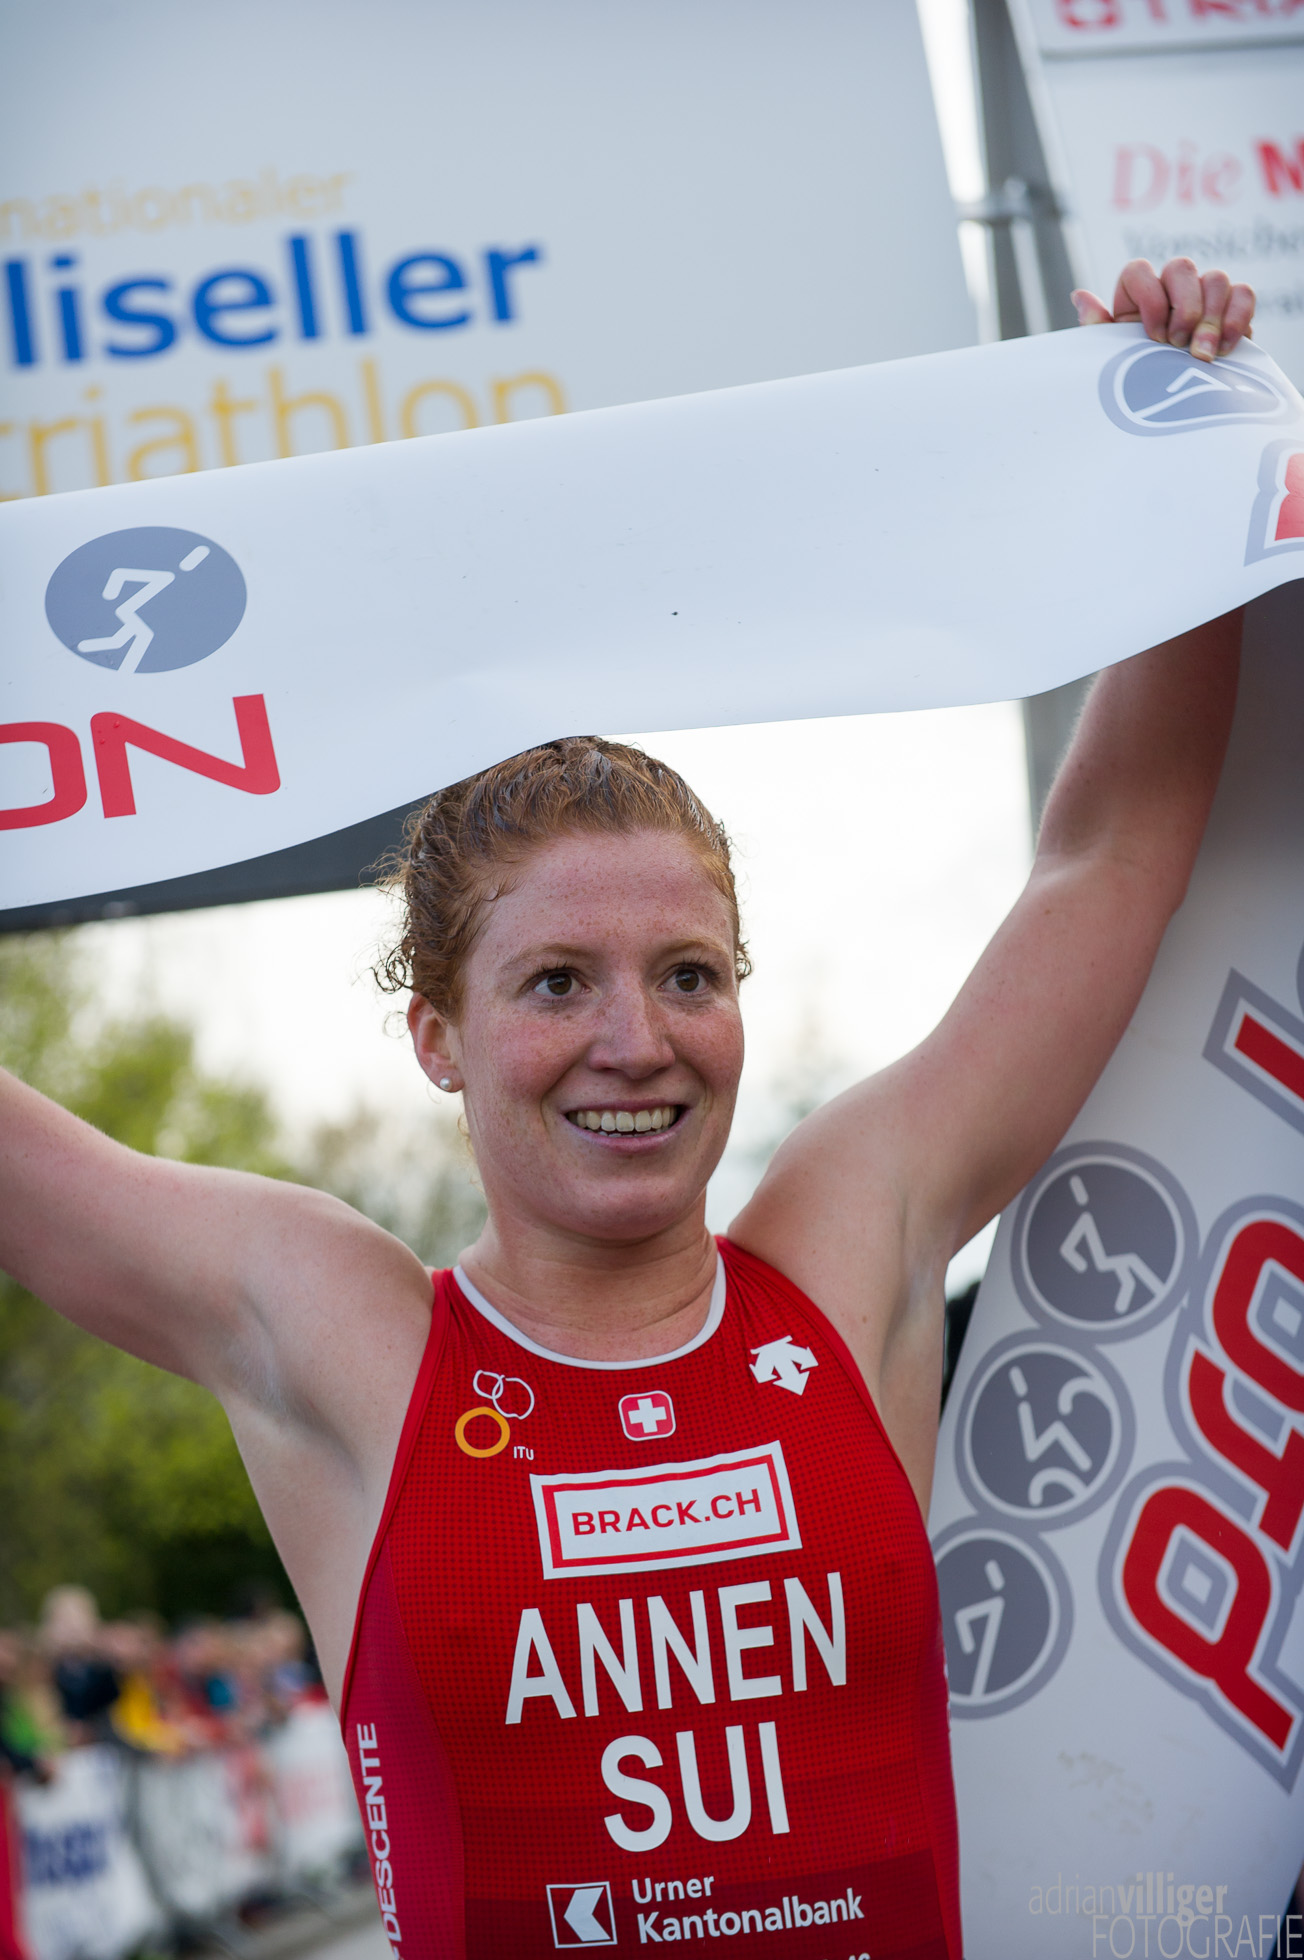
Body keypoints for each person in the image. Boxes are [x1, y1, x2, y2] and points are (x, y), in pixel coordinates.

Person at [0, 259, 1255, 1958]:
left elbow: (1104, 866)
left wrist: (1183, 453)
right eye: (553, 984)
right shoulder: (349, 1335)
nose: (635, 1041)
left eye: (687, 974)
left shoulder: (843, 1247)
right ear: (437, 1037)